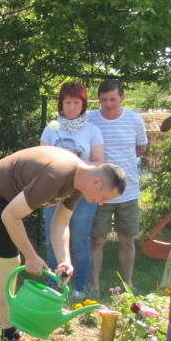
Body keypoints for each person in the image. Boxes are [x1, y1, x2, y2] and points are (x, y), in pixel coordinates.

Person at [0, 147, 126, 341]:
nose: (100, 203)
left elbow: (60, 223)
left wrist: (65, 260)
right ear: (97, 182)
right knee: (9, 261)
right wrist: (31, 256)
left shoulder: (78, 182)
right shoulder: (56, 176)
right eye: (104, 197)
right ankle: (9, 336)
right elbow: (10, 215)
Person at [38, 82, 104, 301]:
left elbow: (99, 162)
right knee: (53, 240)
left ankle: (79, 287)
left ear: (83, 104)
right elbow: (41, 160)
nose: (72, 107)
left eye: (77, 102)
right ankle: (53, 286)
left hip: (83, 192)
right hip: (54, 192)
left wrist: (76, 163)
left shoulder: (93, 130)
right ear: (61, 104)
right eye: (68, 102)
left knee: (80, 241)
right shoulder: (51, 129)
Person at [86, 80, 148, 295]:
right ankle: (94, 285)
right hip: (100, 191)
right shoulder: (90, 119)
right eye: (104, 100)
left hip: (128, 191)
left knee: (127, 240)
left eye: (113, 99)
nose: (108, 104)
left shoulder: (134, 119)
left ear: (122, 98)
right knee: (97, 240)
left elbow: (141, 147)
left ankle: (128, 284)